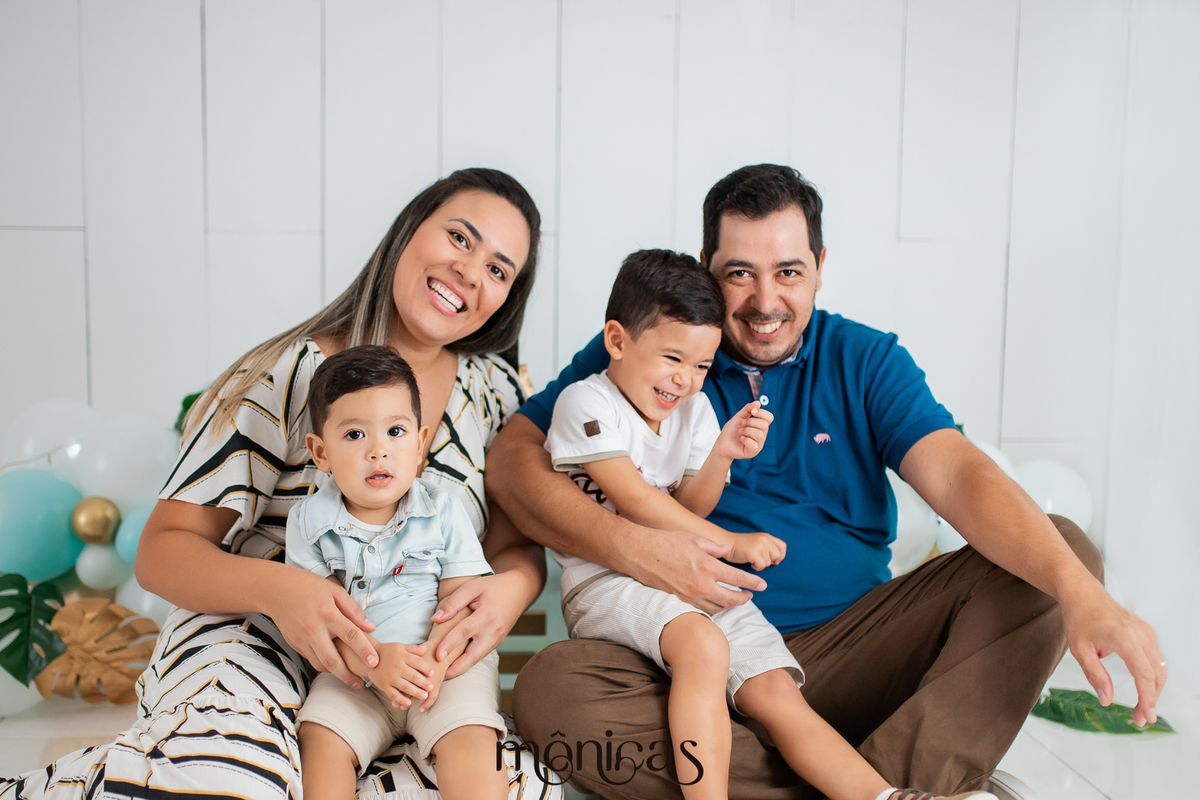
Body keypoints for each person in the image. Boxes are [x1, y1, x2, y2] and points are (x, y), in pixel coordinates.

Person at [490, 164, 1166, 799]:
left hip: (855, 653)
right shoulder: (655, 348)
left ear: (819, 269)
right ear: (706, 272)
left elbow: (958, 474)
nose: (764, 301)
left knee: (1061, 554)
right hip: (682, 655)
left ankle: (851, 775)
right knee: (554, 694)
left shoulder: (866, 359)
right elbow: (513, 460)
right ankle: (877, 784)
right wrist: (633, 549)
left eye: (788, 271)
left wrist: (1081, 594)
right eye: (738, 274)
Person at [1, 168, 557, 800]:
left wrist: (511, 591)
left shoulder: (497, 394)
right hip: (253, 632)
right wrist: (282, 590)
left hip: (415, 661)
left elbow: (515, 546)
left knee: (511, 785)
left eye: (498, 270)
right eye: (460, 238)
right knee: (238, 782)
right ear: (408, 233)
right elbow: (164, 547)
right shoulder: (288, 373)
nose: (470, 271)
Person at [543, 249, 995, 800]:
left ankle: (884, 797)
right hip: (611, 579)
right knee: (699, 650)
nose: (685, 381)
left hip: (690, 579)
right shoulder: (586, 401)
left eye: (702, 366)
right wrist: (732, 543)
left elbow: (691, 506)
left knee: (777, 691)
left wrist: (722, 456)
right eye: (671, 359)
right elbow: (635, 500)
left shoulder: (693, 411)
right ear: (617, 341)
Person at [288, 345, 507, 800]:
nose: (378, 451)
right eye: (353, 436)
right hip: (356, 675)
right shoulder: (309, 522)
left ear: (420, 444)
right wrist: (374, 662)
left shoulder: (442, 508)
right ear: (320, 451)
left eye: (395, 431)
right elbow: (323, 623)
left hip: (443, 670)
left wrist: (435, 658)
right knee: (319, 740)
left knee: (471, 743)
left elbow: (464, 601)